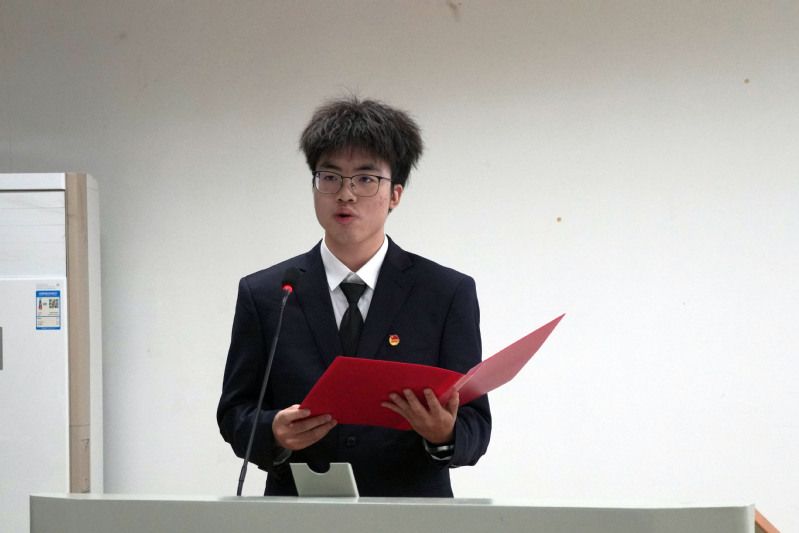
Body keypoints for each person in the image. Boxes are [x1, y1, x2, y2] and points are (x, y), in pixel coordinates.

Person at [217, 96, 491, 497]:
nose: (345, 194)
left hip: (411, 515)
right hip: (298, 513)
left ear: (395, 194)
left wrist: (444, 434)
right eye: (330, 177)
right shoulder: (267, 294)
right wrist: (272, 431)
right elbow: (235, 412)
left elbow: (476, 426)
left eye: (365, 179)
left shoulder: (446, 293)